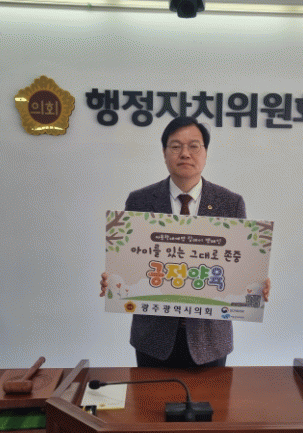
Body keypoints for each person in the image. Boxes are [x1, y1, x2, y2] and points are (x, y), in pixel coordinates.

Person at [100, 116, 270, 367]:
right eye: (176, 146)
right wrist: (115, 279)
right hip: (152, 339)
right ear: (164, 152)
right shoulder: (140, 201)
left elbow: (239, 265)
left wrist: (254, 283)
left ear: (205, 152)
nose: (185, 153)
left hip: (210, 340)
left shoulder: (230, 203)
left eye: (194, 146)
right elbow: (130, 261)